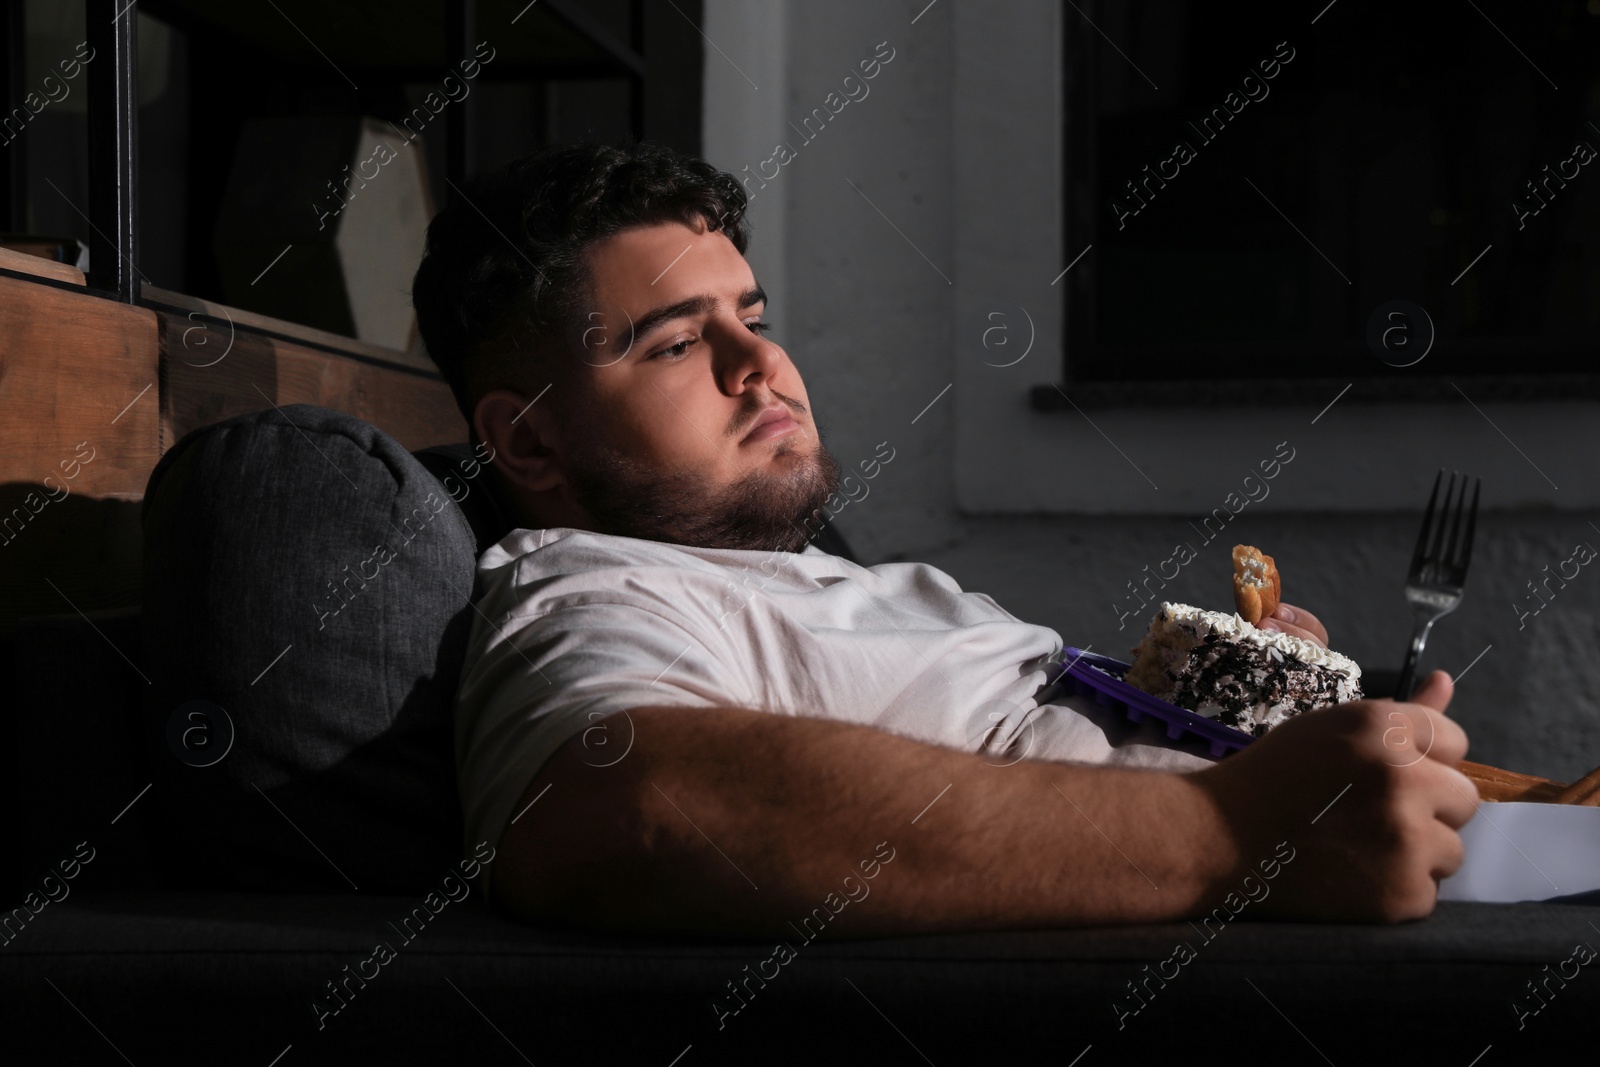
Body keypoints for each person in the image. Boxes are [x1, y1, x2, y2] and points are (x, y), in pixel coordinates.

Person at [410, 142, 1476, 937]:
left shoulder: (826, 576)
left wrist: (1239, 710)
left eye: (754, 316)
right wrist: (1236, 833)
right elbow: (620, 804)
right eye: (681, 341)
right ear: (531, 437)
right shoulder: (594, 593)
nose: (760, 365)